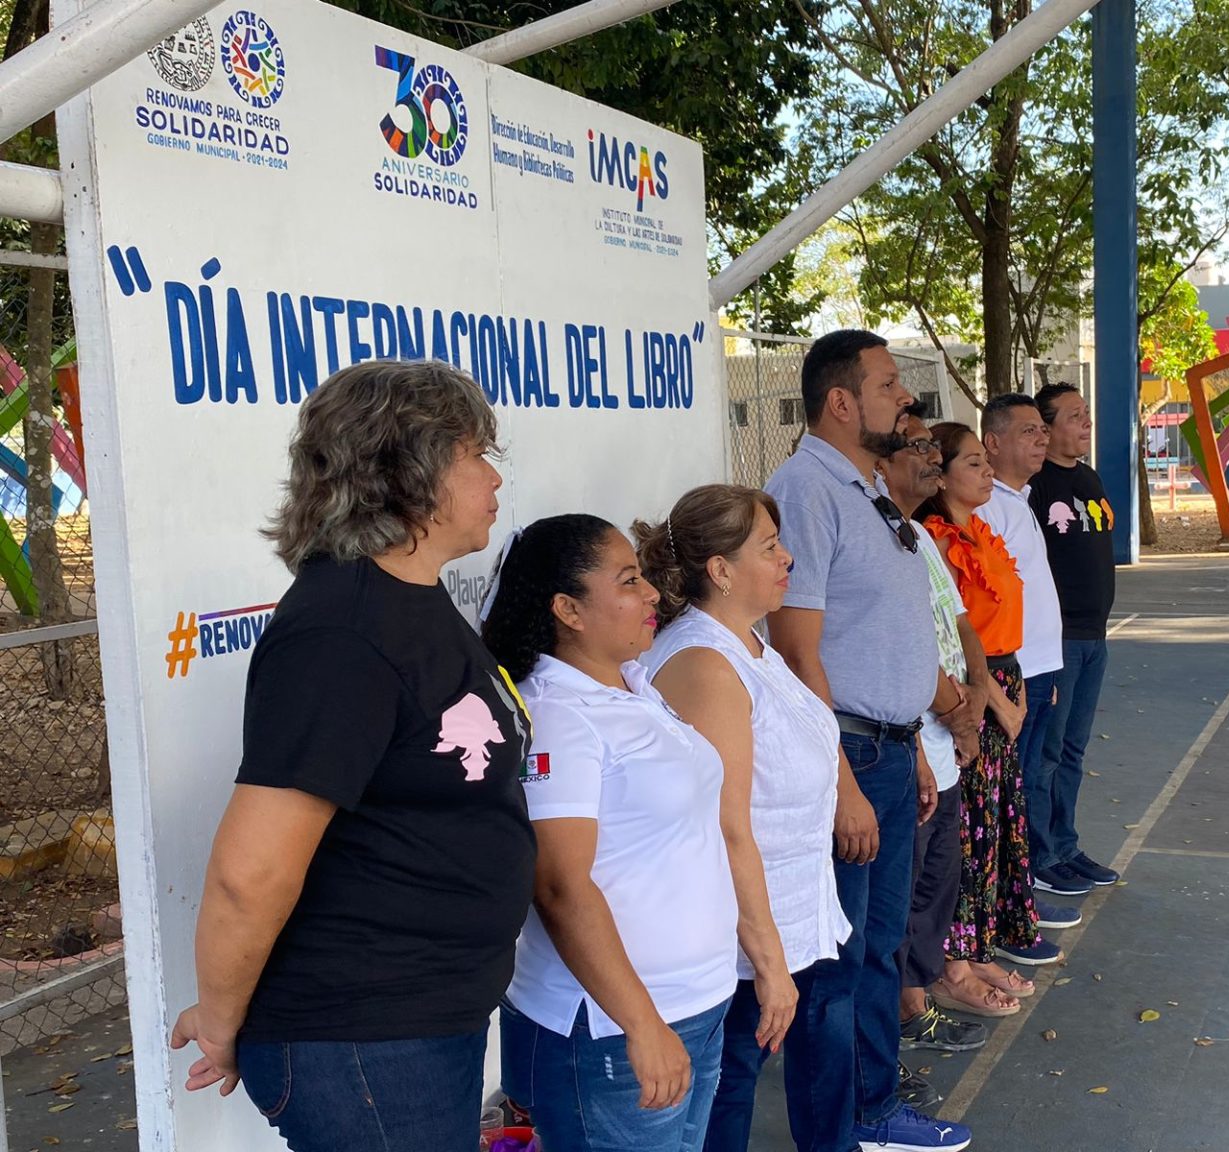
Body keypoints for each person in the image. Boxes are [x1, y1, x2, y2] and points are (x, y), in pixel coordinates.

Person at [169, 362, 535, 1152]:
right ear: (412, 471)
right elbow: (250, 872)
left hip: (416, 1025)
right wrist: (224, 1018)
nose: (492, 474)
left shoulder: (410, 597)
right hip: (364, 1038)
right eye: (475, 452)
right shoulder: (342, 632)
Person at [763, 328, 970, 1152]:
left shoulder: (866, 489)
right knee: (837, 967)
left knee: (878, 949)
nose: (906, 400)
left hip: (887, 748)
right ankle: (834, 1133)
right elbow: (798, 647)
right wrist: (841, 780)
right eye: (890, 385)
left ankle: (875, 1113)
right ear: (842, 402)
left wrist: (912, 743)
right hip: (846, 756)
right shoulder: (806, 490)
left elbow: (884, 638)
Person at [481, 515, 739, 1152]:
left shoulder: (633, 687)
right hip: (610, 1031)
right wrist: (641, 1023)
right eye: (629, 581)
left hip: (693, 1006)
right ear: (568, 609)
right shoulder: (557, 713)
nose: (652, 593)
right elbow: (560, 887)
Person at [626, 485, 850, 1152]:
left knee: (737, 1085)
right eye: (770, 547)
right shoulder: (705, 662)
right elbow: (726, 828)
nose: (788, 559)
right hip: (740, 942)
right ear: (720, 570)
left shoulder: (746, 644)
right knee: (725, 1096)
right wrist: (769, 961)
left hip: (784, 913)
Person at [879, 410, 1018, 1027]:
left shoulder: (914, 539)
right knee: (901, 895)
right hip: (915, 740)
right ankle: (909, 1008)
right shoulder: (892, 536)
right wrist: (964, 711)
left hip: (947, 743)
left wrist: (978, 691)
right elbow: (902, 644)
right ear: (882, 465)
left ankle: (926, 986)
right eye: (917, 449)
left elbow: (961, 625)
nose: (929, 460)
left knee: (939, 880)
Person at [916, 420, 1064, 1000]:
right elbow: (948, 634)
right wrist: (990, 696)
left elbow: (996, 625)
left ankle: (976, 947)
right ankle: (954, 959)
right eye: (973, 463)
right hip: (968, 692)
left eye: (984, 461)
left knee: (995, 821)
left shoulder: (981, 531)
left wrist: (1011, 681)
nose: (985, 473)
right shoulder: (937, 539)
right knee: (967, 830)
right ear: (943, 475)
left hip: (1001, 675)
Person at [977, 394, 1093, 901]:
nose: (1041, 437)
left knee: (1033, 777)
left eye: (1041, 430)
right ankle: (1015, 890)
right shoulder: (989, 508)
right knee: (1014, 785)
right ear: (993, 442)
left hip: (1045, 666)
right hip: (1016, 672)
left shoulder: (1019, 501)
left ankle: (1026, 879)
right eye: (1028, 430)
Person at [1028, 383, 1121, 895]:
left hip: (1093, 637)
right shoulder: (1036, 486)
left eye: (1087, 414)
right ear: (1047, 428)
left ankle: (1066, 845)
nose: (1086, 423)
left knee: (1074, 751)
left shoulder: (1088, 477)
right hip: (1056, 641)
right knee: (1046, 753)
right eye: (1074, 416)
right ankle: (1040, 855)